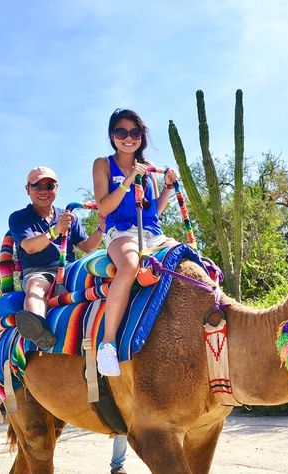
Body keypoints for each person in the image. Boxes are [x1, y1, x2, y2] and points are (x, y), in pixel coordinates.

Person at [93, 108, 178, 376]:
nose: (128, 138)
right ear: (112, 136)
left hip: (153, 232)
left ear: (141, 136)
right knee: (129, 266)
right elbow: (104, 207)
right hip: (120, 231)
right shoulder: (103, 164)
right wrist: (129, 179)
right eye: (121, 132)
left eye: (135, 132)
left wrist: (166, 187)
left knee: (190, 262)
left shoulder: (149, 170)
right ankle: (107, 344)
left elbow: (153, 211)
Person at [9, 166, 104, 349]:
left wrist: (102, 226)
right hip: (39, 271)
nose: (44, 191)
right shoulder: (19, 218)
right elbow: (29, 247)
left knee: (103, 274)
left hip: (69, 269)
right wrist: (55, 231)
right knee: (36, 286)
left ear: (57, 188)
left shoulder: (67, 216)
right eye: (37, 186)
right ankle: (38, 330)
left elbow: (88, 247)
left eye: (49, 185)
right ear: (27, 189)